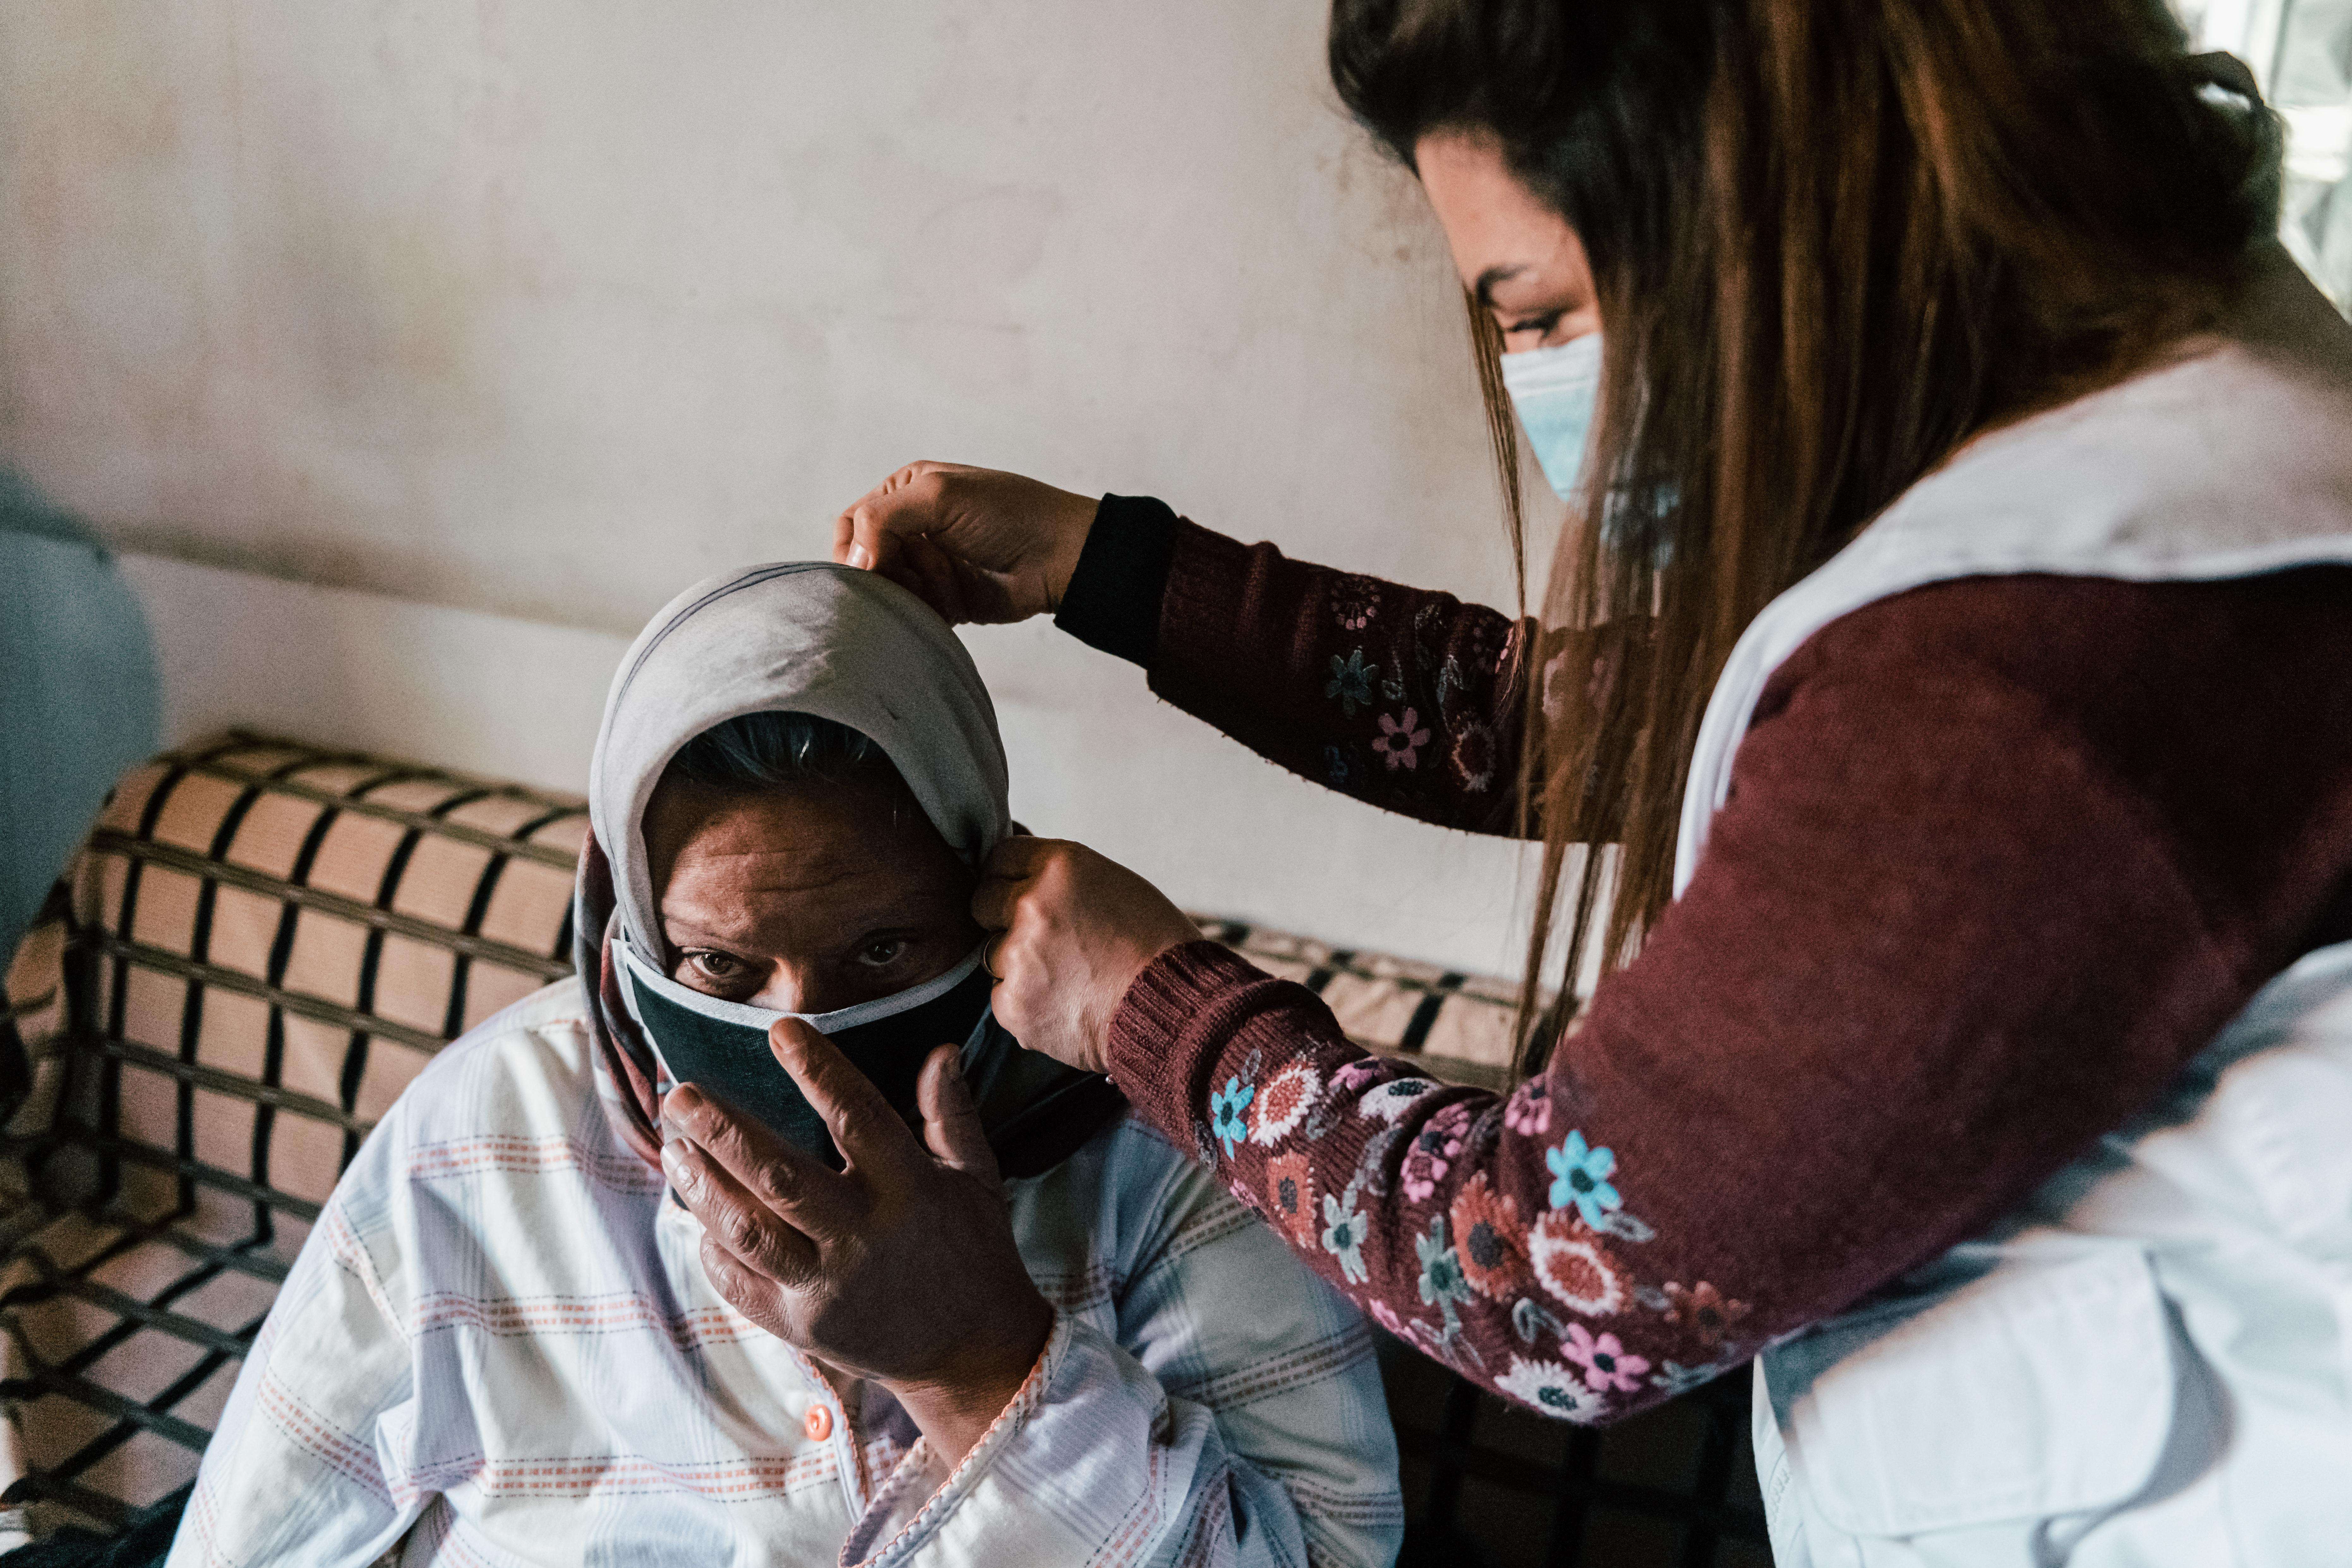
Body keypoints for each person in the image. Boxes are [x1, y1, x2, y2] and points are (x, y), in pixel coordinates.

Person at [814, 1, 2352, 1562]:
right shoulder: (2166, 462)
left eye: (1538, 312)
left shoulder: (2036, 672)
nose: (1538, 381)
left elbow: (1547, 1277)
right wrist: (1109, 568)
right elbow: (1563, 714)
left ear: (1760, 212)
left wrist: (1150, 1011)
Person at [168, 564, 1402, 1567]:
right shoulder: (490, 1131)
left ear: (991, 894)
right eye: (717, 970)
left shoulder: (1172, 1152)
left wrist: (979, 1364)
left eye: (881, 950)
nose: (799, 1038)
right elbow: (255, 1532)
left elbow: (1330, 1557)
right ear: (631, 930)